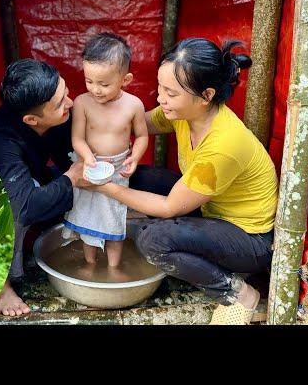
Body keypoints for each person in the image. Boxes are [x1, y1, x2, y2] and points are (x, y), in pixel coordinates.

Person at [92, 38, 278, 325]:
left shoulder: (223, 145)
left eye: (170, 93)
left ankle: (239, 293)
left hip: (250, 240)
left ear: (206, 95)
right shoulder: (184, 114)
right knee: (139, 177)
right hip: (211, 210)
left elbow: (169, 207)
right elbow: (137, 123)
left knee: (153, 240)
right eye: (160, 88)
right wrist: (94, 124)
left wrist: (103, 185)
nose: (160, 99)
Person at [0, 58, 90, 316]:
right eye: (61, 103)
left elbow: (67, 159)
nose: (70, 103)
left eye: (66, 93)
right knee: (10, 210)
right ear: (31, 120)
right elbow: (24, 206)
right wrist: (71, 178)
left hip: (32, 180)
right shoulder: (0, 143)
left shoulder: (57, 117)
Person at [63, 33, 147, 267]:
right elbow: (77, 138)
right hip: (88, 167)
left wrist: (135, 157)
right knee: (87, 218)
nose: (96, 90)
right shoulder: (82, 102)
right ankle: (89, 264)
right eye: (90, 81)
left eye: (104, 84)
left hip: (118, 169)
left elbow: (141, 136)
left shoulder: (133, 105)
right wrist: (88, 157)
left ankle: (113, 267)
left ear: (125, 79)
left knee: (114, 219)